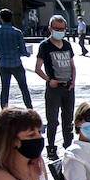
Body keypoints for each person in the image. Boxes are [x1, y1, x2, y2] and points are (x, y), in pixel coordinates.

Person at [35, 15, 77, 161]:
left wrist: (73, 82)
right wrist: (49, 80)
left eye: (62, 29)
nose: (59, 31)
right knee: (52, 120)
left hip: (68, 87)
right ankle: (51, 147)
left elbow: (72, 65)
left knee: (68, 119)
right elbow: (38, 68)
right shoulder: (45, 46)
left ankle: (68, 145)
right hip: (54, 88)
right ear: (50, 29)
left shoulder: (67, 45)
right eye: (56, 29)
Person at [0, 8, 33, 110]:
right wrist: (26, 54)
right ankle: (29, 108)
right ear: (11, 18)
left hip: (3, 64)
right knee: (23, 87)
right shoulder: (17, 32)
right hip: (16, 63)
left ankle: (4, 109)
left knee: (5, 88)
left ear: (1, 19)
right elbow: (23, 50)